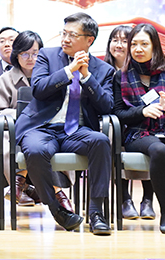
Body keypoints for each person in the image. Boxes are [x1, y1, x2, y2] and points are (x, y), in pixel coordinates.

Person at [16, 12, 114, 235]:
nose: (65, 39)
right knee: (35, 150)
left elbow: (107, 106)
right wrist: (69, 71)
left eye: (72, 35)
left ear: (89, 40)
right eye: (64, 33)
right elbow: (38, 89)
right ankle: (56, 209)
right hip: (41, 127)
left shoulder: (104, 70)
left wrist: (86, 76)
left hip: (76, 131)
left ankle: (96, 213)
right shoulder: (47, 56)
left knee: (100, 141)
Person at [113, 23, 165, 234]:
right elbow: (119, 113)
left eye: (144, 44)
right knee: (158, 149)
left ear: (155, 47)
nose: (138, 49)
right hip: (138, 133)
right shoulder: (121, 76)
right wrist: (142, 111)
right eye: (134, 44)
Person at [104, 25, 155, 220]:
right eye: (114, 40)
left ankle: (148, 199)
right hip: (113, 122)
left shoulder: (147, 71)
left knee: (151, 132)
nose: (119, 45)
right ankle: (124, 199)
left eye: (124, 41)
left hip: (141, 121)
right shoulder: (103, 70)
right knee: (112, 134)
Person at [0, 30, 43, 206]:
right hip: (15, 130)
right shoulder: (5, 80)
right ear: (16, 55)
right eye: (24, 53)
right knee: (6, 139)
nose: (30, 58)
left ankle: (24, 187)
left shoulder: (49, 77)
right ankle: (19, 186)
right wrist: (22, 115)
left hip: (44, 129)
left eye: (35, 53)